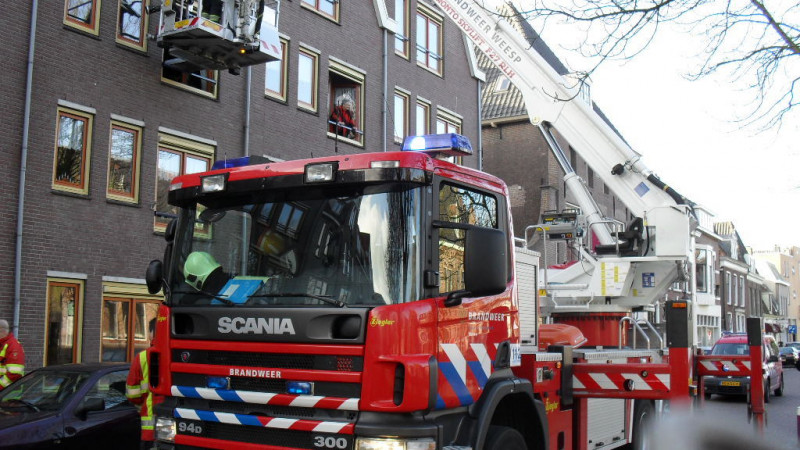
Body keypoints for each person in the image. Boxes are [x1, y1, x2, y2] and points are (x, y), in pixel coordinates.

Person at [126, 319, 161, 450]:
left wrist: (142, 404)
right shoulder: (179, 355)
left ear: (152, 333)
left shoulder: (142, 357)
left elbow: (132, 394)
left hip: (150, 430)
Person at [0, 320, 25, 391]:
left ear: (1, 331)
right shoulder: (3, 345)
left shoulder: (13, 346)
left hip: (10, 394)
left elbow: (14, 374)